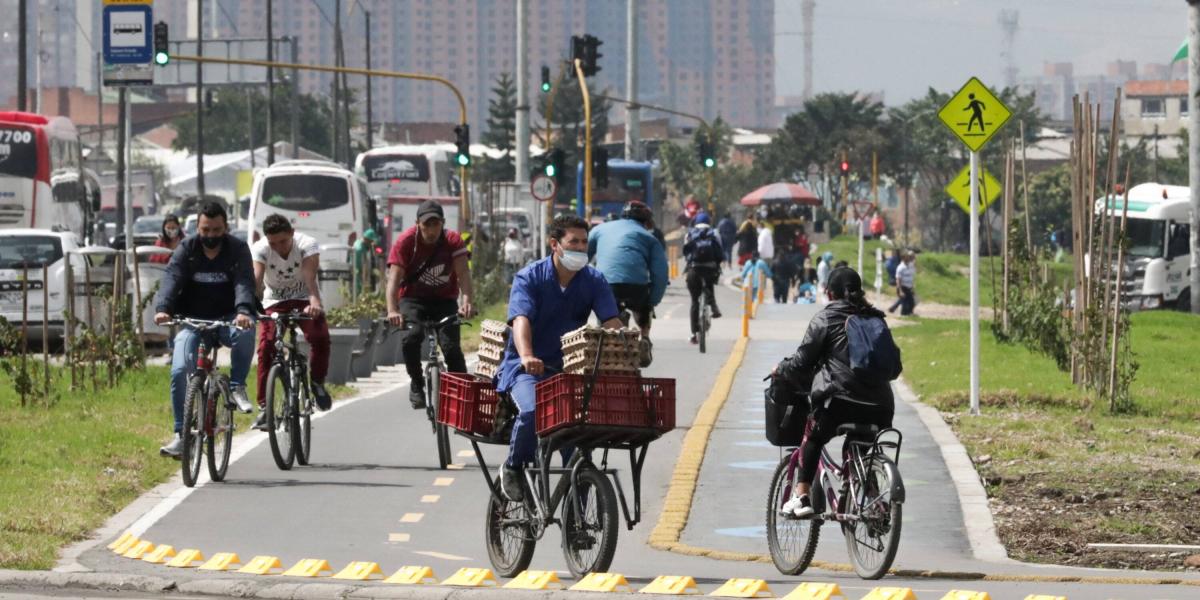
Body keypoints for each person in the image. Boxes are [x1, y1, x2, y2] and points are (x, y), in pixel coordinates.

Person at [495, 214, 623, 501]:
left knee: (580, 433)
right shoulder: (530, 277)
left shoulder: (594, 280)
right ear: (555, 244)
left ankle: (578, 522)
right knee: (531, 412)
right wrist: (527, 355)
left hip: (569, 370)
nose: (580, 248)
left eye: (584, 242)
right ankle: (513, 467)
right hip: (526, 368)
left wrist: (627, 346)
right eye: (573, 242)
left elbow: (611, 322)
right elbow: (520, 320)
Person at [772, 267, 902, 517]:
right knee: (860, 445)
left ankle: (802, 497)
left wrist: (781, 368)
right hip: (882, 408)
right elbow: (894, 368)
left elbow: (802, 362)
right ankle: (869, 494)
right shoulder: (876, 319)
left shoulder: (825, 318)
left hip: (840, 402)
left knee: (813, 437)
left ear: (830, 293)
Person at [153, 201, 256, 458]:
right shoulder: (186, 249)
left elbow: (244, 281)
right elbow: (172, 277)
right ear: (197, 228)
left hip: (228, 319)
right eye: (205, 230)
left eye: (216, 230)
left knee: (246, 333)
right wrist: (163, 307)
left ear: (226, 227)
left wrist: (243, 311)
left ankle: (236, 386)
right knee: (179, 370)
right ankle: (181, 435)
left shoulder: (238, 249)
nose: (211, 236)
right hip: (192, 321)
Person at [385, 200, 474, 409]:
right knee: (411, 338)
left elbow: (463, 274)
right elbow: (393, 280)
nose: (431, 231)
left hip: (444, 300)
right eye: (426, 225)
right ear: (418, 224)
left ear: (442, 223)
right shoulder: (406, 242)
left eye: (436, 224)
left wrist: (467, 301)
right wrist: (392, 310)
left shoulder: (453, 241)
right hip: (413, 299)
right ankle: (416, 383)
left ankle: (463, 397)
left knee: (451, 348)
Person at [251, 214, 333, 430]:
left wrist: (314, 300)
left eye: (283, 241)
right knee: (266, 346)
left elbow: (309, 275)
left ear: (292, 234)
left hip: (304, 299)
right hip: (275, 302)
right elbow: (257, 281)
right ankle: (264, 408)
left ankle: (317, 382)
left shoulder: (307, 244)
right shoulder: (260, 248)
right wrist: (248, 306)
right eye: (273, 243)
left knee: (320, 337)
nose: (278, 247)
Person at [587, 200, 668, 341]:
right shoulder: (650, 238)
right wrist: (652, 301)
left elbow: (583, 256)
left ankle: (603, 338)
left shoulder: (599, 229)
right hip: (636, 289)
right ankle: (645, 338)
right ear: (647, 222)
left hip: (606, 286)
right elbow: (660, 275)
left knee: (604, 316)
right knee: (644, 308)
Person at [682, 211, 724, 345]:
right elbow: (720, 252)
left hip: (694, 269)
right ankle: (713, 306)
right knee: (709, 283)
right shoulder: (714, 233)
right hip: (710, 269)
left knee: (694, 301)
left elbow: (685, 253)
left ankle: (694, 334)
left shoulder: (690, 233)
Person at [352, 228, 380, 294]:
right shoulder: (360, 249)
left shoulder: (358, 242)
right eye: (371, 241)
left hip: (358, 273)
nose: (371, 243)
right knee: (359, 292)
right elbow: (359, 266)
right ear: (366, 239)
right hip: (357, 274)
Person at [890, 251, 917, 316]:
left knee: (906, 300)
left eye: (909, 257)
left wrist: (913, 285)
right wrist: (900, 290)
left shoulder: (910, 265)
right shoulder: (900, 267)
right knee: (908, 301)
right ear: (903, 258)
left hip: (909, 287)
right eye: (907, 257)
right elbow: (898, 280)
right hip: (903, 287)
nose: (908, 258)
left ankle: (894, 309)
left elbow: (914, 265)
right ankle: (905, 313)